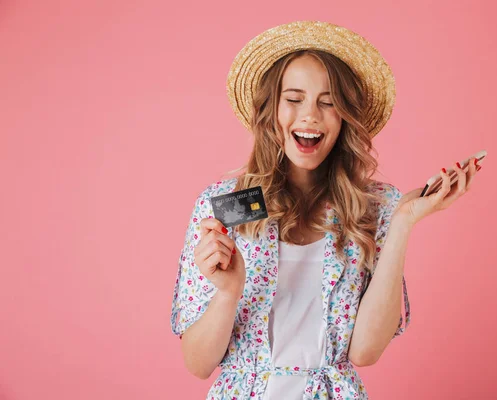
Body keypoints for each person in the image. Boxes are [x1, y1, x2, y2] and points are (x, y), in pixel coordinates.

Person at [170, 20, 481, 400]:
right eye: (294, 98)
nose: (311, 115)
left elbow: (365, 352)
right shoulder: (226, 206)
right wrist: (228, 292)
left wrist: (403, 222)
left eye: (329, 101)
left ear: (345, 117)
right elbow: (198, 364)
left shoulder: (374, 208)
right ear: (271, 110)